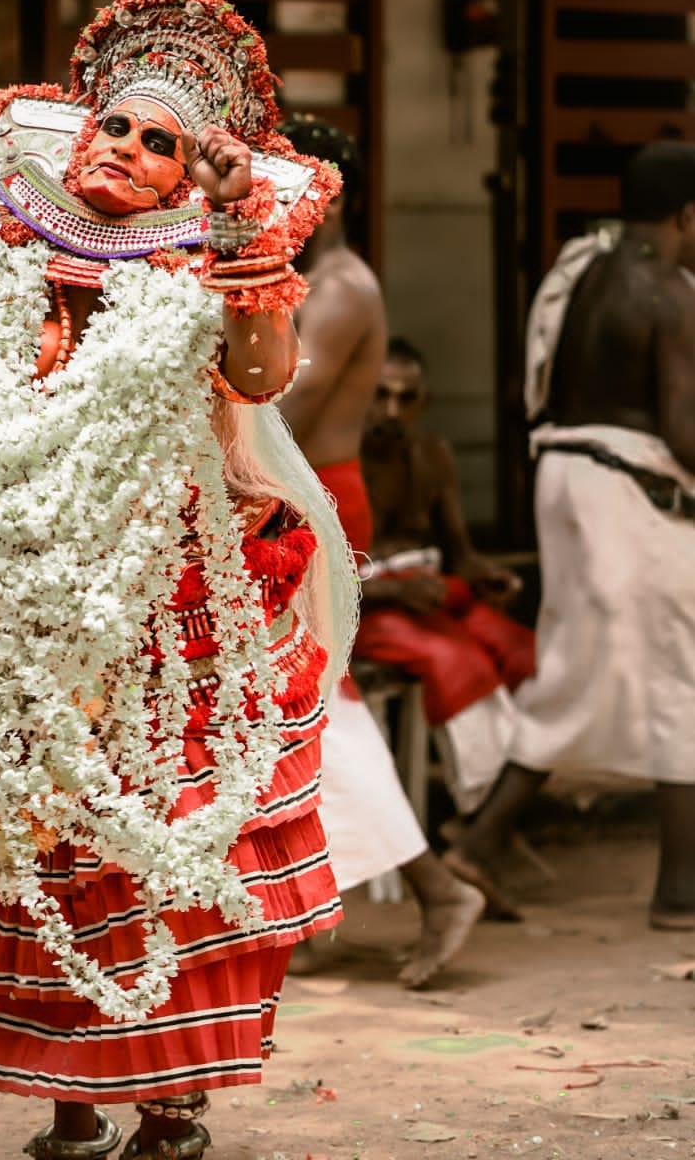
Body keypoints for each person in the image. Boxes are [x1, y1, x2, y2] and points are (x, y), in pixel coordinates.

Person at [0, 0, 361, 1160]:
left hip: (153, 619)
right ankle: (65, 1100)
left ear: (186, 176)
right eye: (113, 125)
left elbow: (261, 373)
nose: (125, 148)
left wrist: (230, 236)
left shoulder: (193, 279)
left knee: (142, 847)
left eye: (160, 141)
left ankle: (169, 1095)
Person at [448, 141, 695, 928]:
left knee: (591, 675)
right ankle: (678, 890)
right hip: (628, 490)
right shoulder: (669, 291)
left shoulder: (580, 266)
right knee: (677, 680)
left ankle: (483, 845)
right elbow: (686, 432)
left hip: (568, 479)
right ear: (688, 216)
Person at [279, 118, 484, 989]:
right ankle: (285, 910)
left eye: (280, 176)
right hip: (291, 490)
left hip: (311, 495)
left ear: (327, 189)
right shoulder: (306, 273)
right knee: (282, 703)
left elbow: (278, 410)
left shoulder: (340, 284)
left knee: (307, 701)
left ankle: (437, 889)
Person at [357, 337, 535, 818]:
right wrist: (394, 589)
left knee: (525, 653)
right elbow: (314, 578)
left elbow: (462, 555)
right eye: (381, 395)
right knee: (456, 659)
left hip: (432, 596)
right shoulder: (337, 461)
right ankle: (479, 804)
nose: (391, 410)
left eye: (405, 398)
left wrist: (490, 578)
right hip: (366, 607)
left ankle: (508, 802)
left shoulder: (433, 455)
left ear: (423, 403)